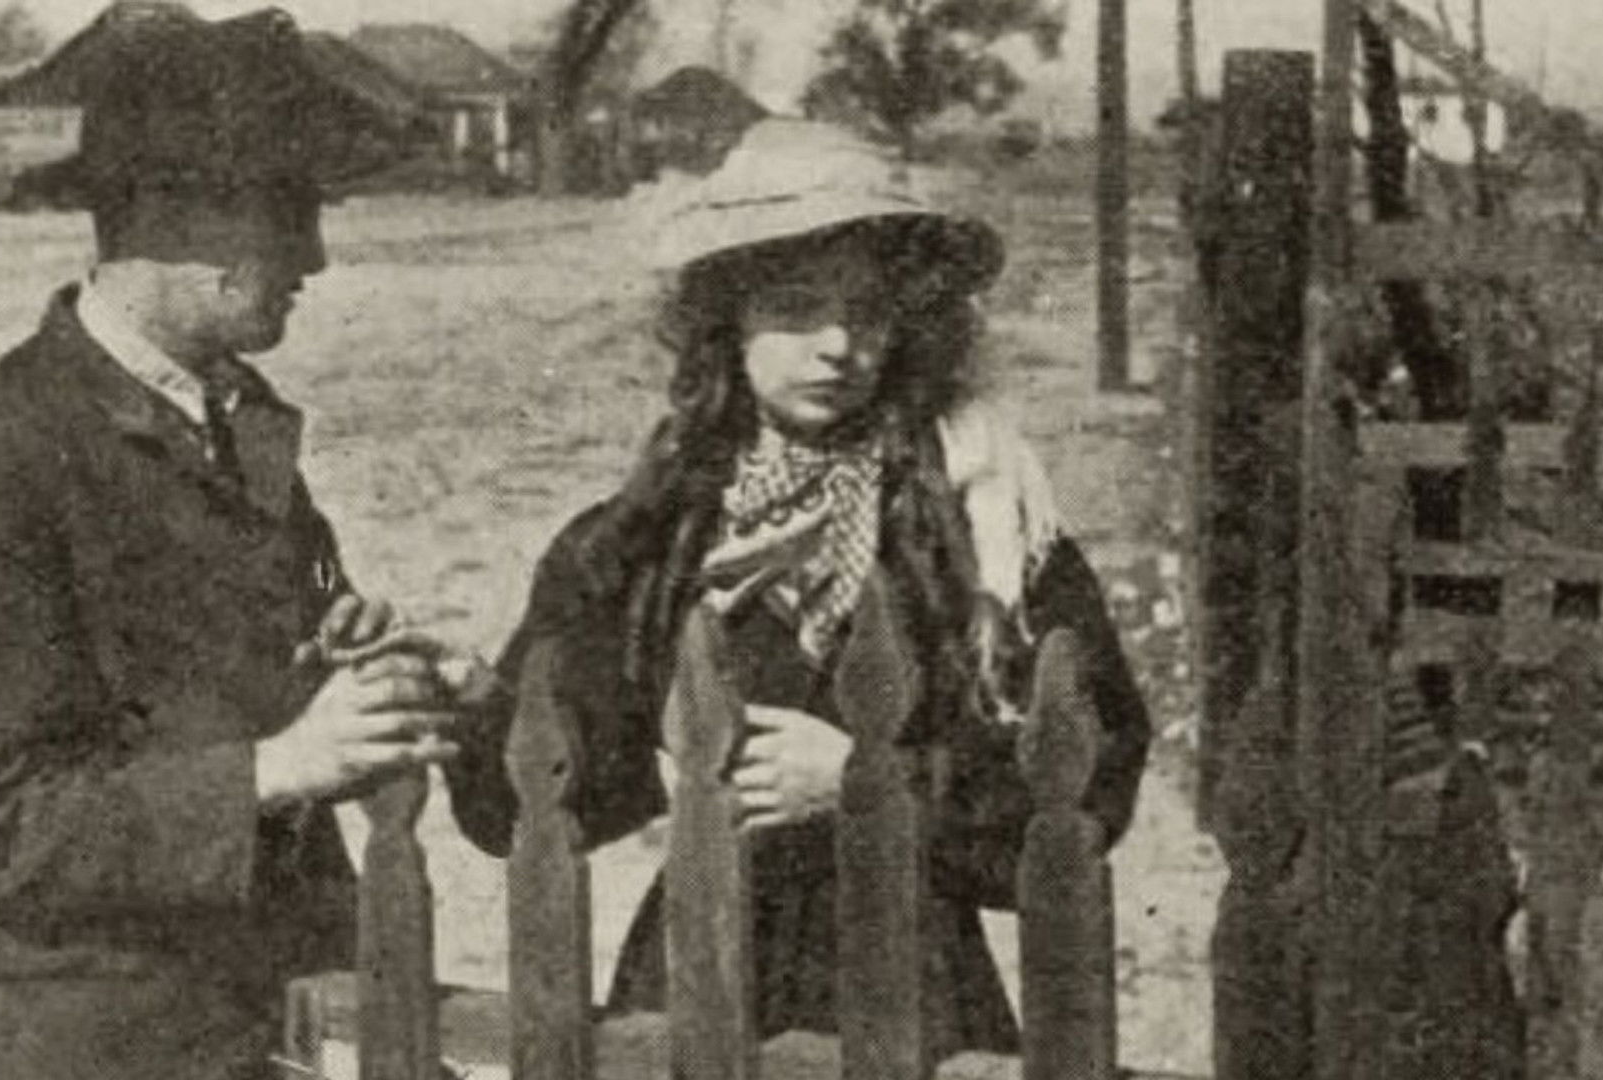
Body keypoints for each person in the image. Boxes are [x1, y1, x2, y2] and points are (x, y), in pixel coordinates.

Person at [445, 119, 1150, 1056]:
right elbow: (528, 805)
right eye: (795, 307)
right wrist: (478, 706)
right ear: (727, 324)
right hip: (703, 976)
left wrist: (876, 782)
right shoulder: (650, 534)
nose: (837, 345)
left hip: (913, 990)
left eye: (868, 312)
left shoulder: (984, 522)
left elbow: (1089, 786)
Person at [0, 10, 457, 1079]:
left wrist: (344, 651)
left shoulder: (231, 421)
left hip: (266, 1015)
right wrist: (285, 766)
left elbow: (238, 665)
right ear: (170, 210)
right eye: (289, 214)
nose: (316, 257)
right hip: (98, 1044)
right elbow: (3, 822)